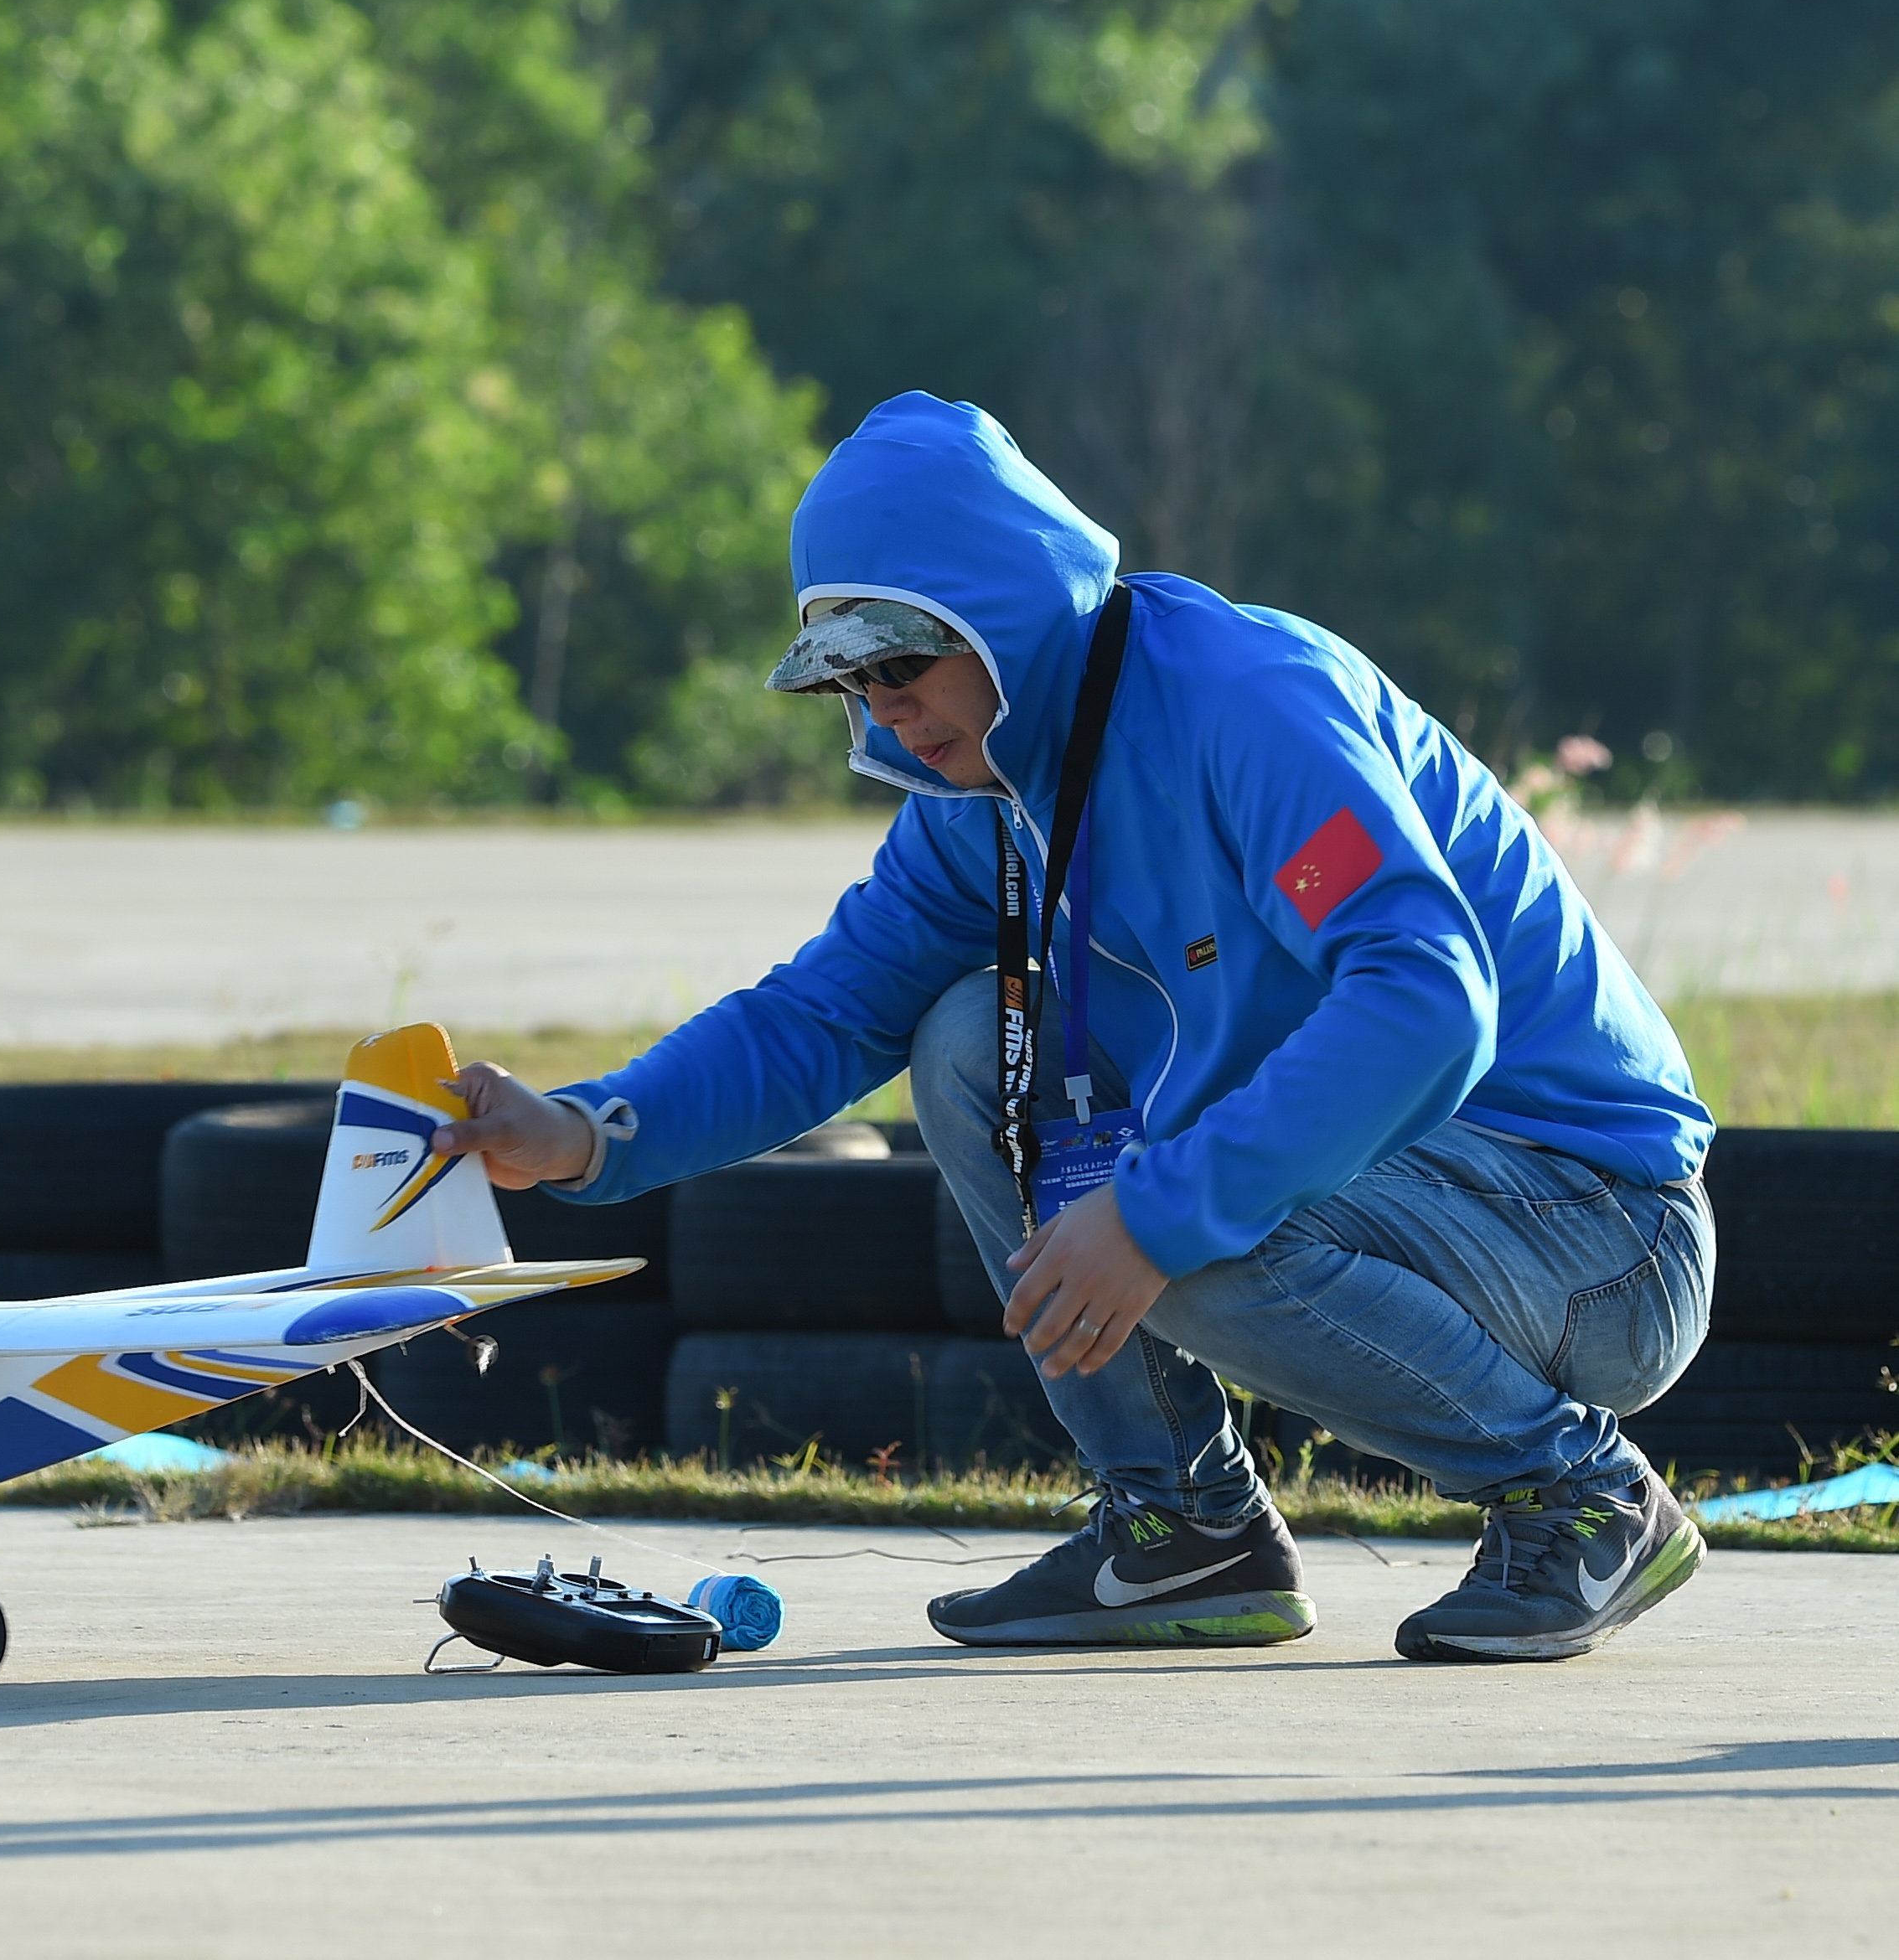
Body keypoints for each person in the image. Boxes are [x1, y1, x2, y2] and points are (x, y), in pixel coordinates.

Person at [432, 392, 1715, 1663]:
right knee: (958, 1039)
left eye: (901, 662)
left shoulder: (1244, 701)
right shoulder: (980, 790)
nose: (882, 708)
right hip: (1420, 1202)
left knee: (1178, 1208)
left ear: (1000, 615)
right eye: (850, 676)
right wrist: (585, 1133)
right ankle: (1184, 1530)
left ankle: (1585, 1502)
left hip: (1597, 1231)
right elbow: (821, 1013)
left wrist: (1154, 1215)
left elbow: (1423, 994)